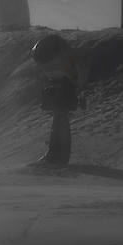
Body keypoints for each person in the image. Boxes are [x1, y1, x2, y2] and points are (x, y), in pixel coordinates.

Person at [30, 33, 85, 166]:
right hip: (64, 88)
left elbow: (76, 76)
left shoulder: (62, 63)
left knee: (60, 120)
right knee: (60, 120)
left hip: (64, 89)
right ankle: (57, 154)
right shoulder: (63, 62)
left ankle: (56, 155)